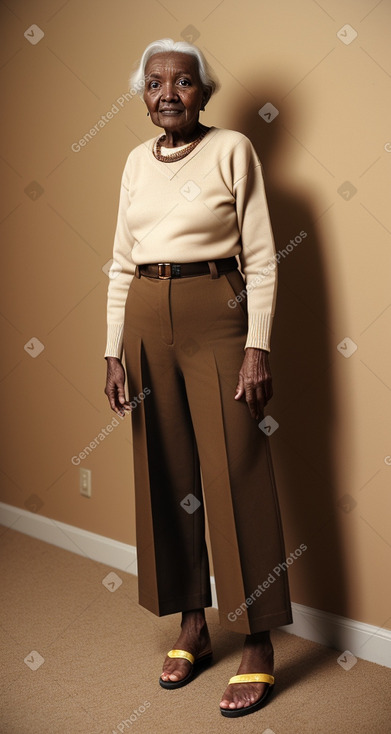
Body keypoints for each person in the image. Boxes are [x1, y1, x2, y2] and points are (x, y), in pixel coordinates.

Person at [104, 38, 293, 718]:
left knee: (236, 469)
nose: (167, 94)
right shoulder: (132, 162)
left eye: (182, 82)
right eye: (155, 83)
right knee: (166, 471)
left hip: (219, 309)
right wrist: (111, 350)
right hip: (146, 316)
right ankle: (191, 623)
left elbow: (264, 257)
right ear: (143, 94)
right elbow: (121, 263)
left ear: (201, 93)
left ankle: (258, 642)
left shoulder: (232, 149)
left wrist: (257, 345)